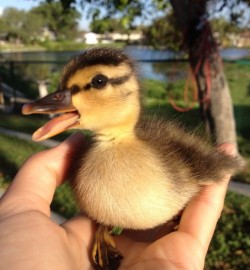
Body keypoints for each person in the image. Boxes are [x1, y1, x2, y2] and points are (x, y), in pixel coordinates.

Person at [0, 133, 235, 270]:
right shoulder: (87, 162)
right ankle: (102, 231)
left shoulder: (167, 163)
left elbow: (214, 166)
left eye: (98, 82)